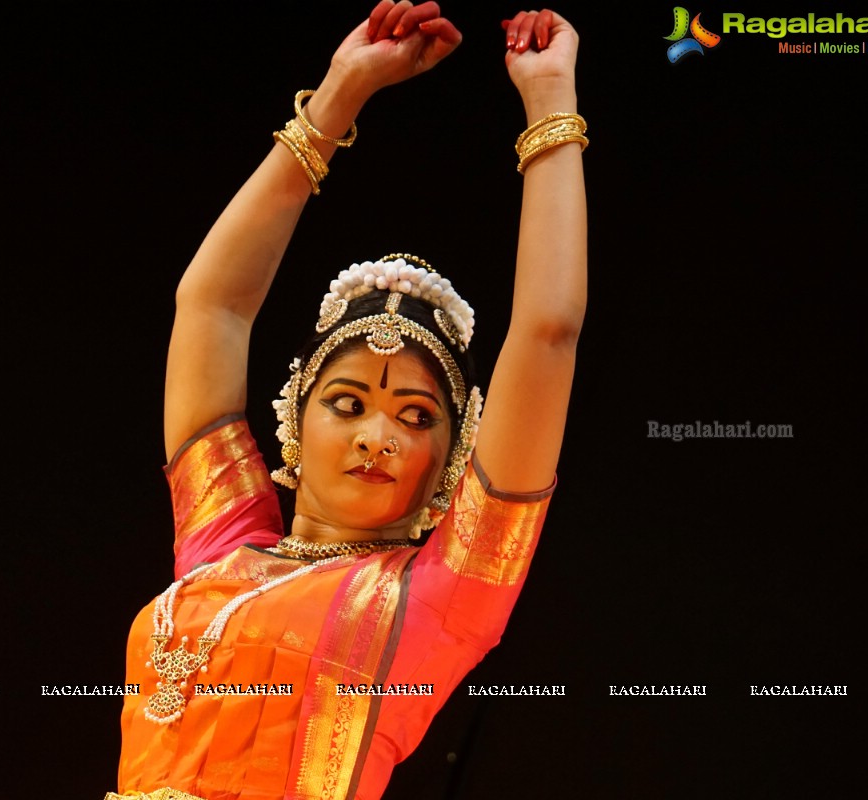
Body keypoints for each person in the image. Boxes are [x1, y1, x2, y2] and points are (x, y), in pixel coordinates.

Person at [108, 3, 586, 798]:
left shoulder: (439, 596)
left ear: (451, 462)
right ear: (295, 419)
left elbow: (546, 335)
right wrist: (338, 95)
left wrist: (550, 107)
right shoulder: (220, 544)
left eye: (416, 416)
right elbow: (211, 308)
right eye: (347, 402)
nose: (377, 436)